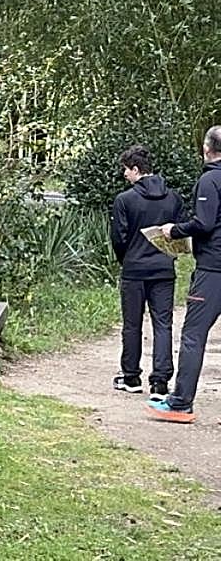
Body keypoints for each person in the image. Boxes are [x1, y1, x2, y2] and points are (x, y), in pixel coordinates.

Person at [147, 126, 221, 423]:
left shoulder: (209, 180)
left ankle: (180, 403)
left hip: (213, 269)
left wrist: (173, 231)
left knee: (193, 335)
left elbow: (203, 224)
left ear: (207, 149)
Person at [109, 145, 183, 398]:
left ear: (136, 170)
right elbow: (179, 234)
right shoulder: (173, 198)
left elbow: (118, 238)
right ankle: (160, 382)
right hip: (164, 269)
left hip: (134, 269)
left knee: (132, 324)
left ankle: (131, 376)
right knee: (163, 324)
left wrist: (126, 260)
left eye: (126, 171)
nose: (124, 176)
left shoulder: (125, 199)